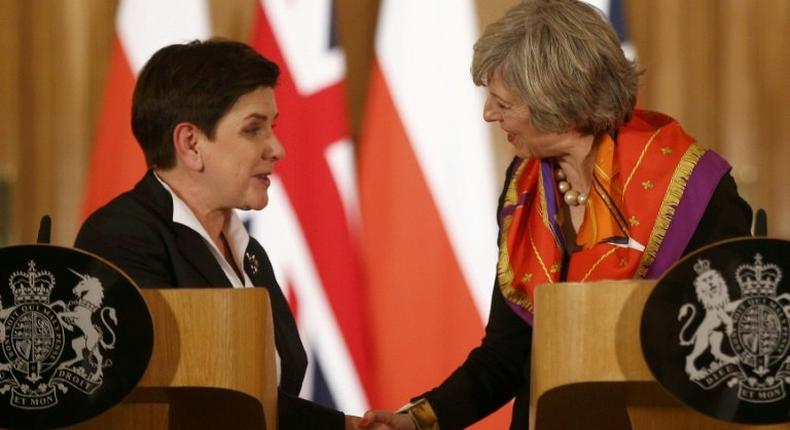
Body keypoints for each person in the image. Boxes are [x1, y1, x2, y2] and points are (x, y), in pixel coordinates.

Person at [359, 0, 752, 429]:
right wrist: (420, 419)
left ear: (559, 101)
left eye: (502, 102)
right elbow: (507, 355)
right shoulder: (524, 187)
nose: (489, 114)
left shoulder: (693, 188)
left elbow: (728, 355)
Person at [75, 39, 361, 429]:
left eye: (271, 127)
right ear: (191, 144)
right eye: (253, 129)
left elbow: (266, 400)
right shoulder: (123, 236)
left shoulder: (248, 250)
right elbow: (180, 394)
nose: (276, 148)